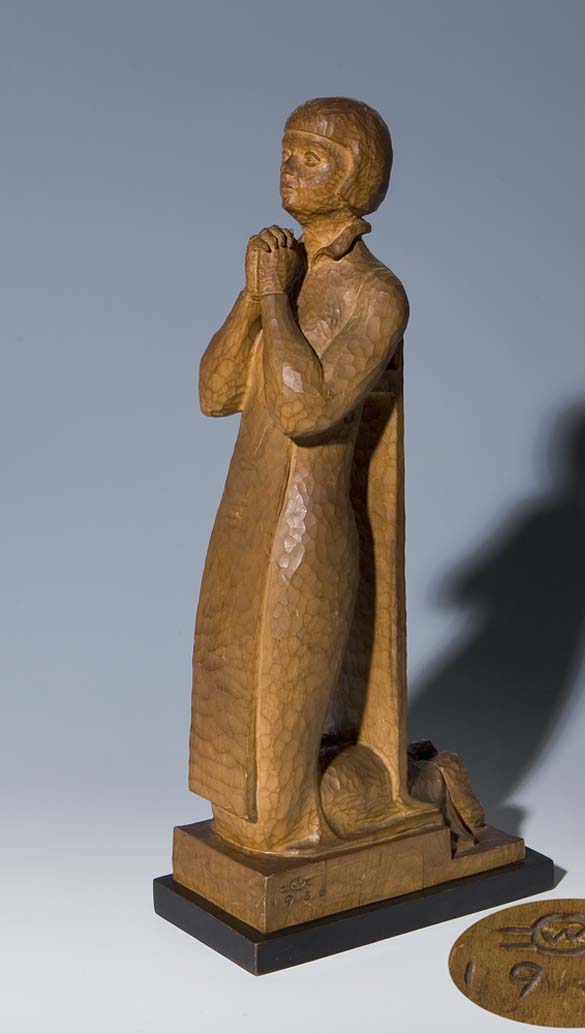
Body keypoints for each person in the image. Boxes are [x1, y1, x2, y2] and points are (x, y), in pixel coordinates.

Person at [189, 98, 412, 854]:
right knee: (229, 714)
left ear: (354, 174)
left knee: (274, 809)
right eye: (287, 151)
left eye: (312, 156)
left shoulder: (375, 294)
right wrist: (254, 297)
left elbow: (306, 410)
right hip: (246, 514)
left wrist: (273, 302)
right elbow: (214, 392)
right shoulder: (281, 273)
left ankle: (398, 794)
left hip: (305, 531)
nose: (290, 166)